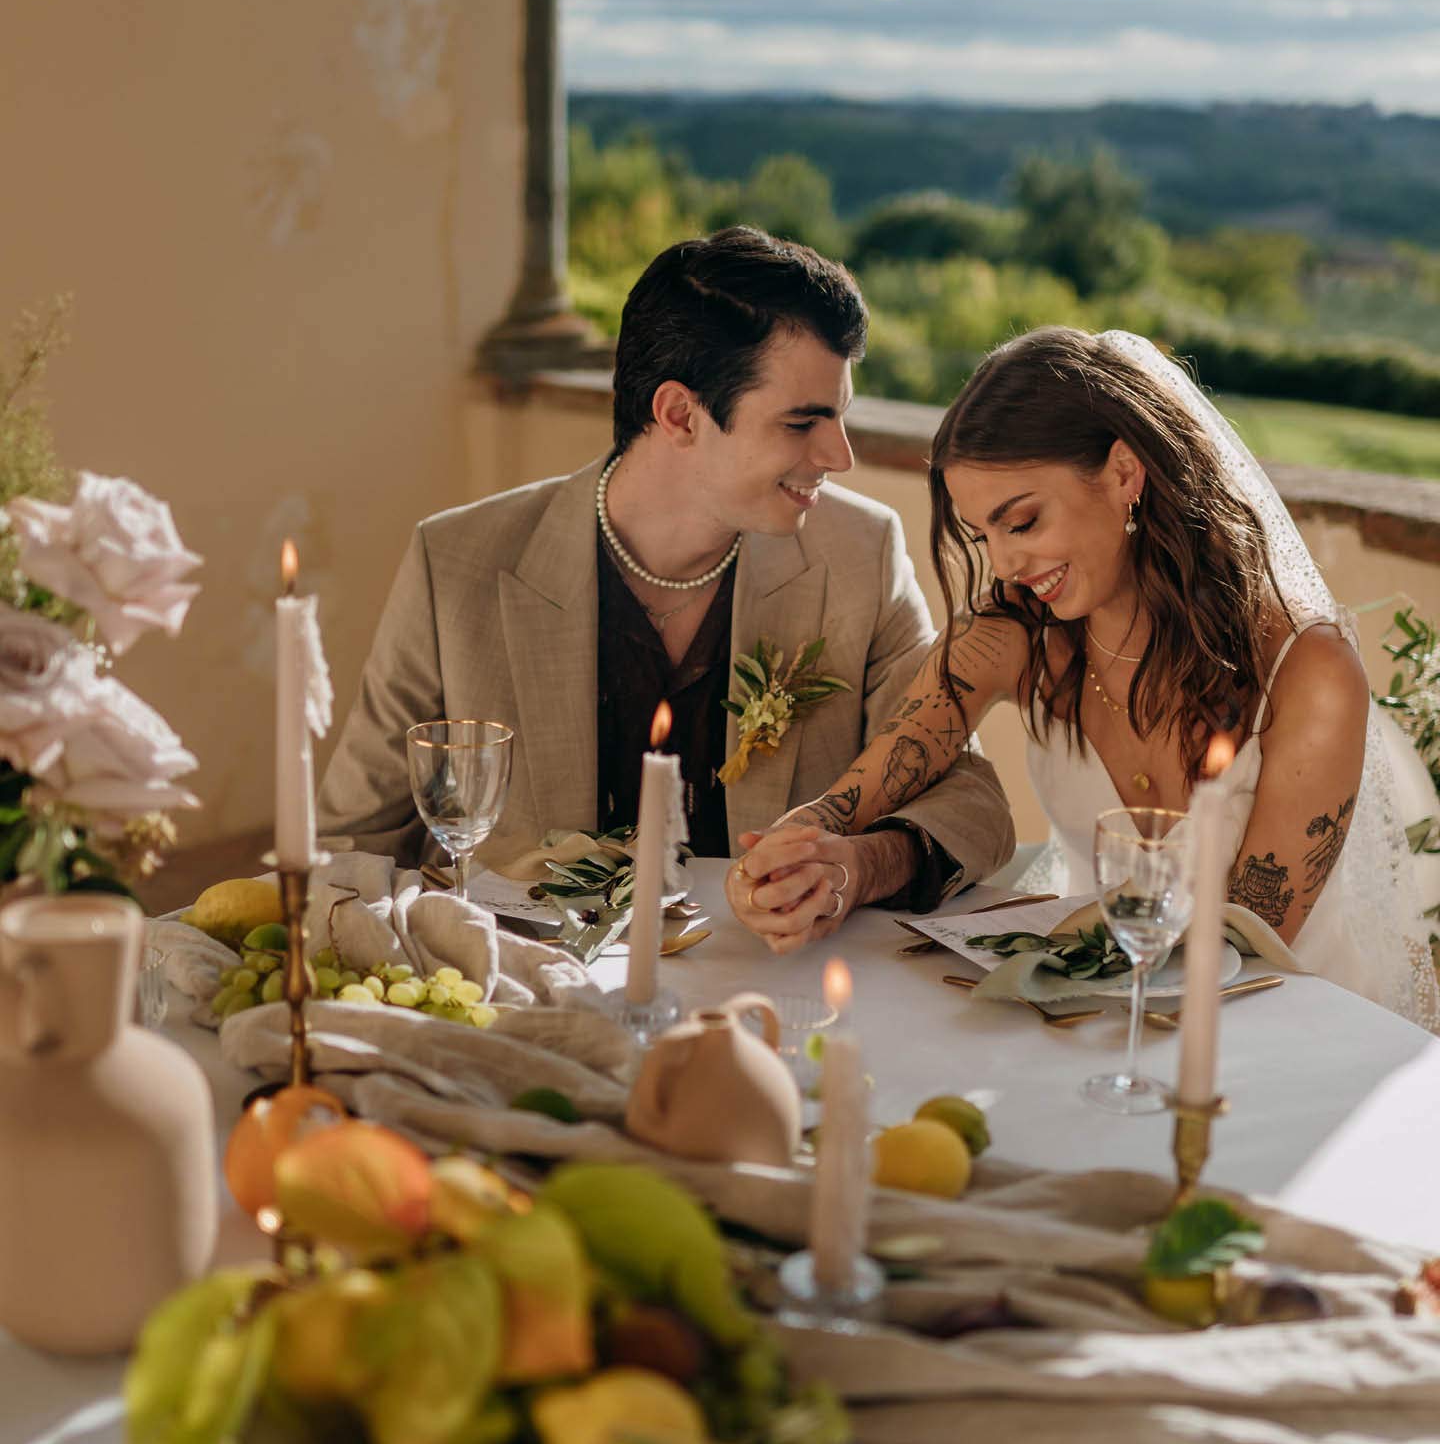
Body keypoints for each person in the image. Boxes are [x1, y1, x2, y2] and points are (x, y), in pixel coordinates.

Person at [729, 325, 1440, 1028]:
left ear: (1125, 474)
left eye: (1024, 522)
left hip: (1278, 1030)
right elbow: (854, 796)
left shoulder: (1306, 672)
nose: (1005, 566)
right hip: (1102, 1021)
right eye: (985, 536)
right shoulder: (1007, 634)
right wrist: (794, 855)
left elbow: (1243, 947)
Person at [317, 227, 1014, 913]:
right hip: (534, 1000)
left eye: (840, 418)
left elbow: (972, 801)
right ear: (679, 414)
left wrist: (861, 865)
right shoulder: (459, 565)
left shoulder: (860, 552)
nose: (840, 456)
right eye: (803, 423)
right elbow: (352, 844)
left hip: (770, 995)